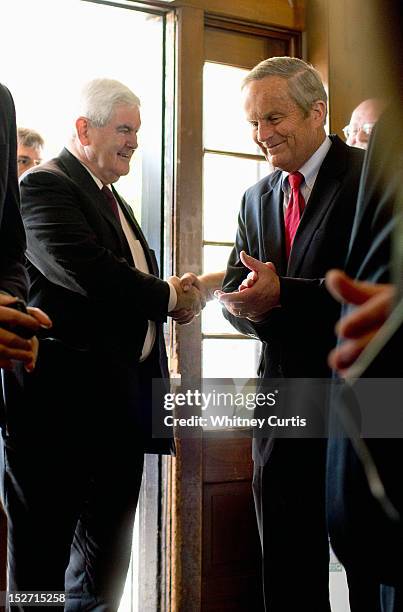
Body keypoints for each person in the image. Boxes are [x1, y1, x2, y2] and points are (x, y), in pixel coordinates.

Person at [2, 78, 203, 610]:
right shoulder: (42, 186)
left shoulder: (109, 196)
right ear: (83, 129)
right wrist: (168, 295)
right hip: (56, 415)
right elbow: (89, 273)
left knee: (104, 570)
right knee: (41, 568)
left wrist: (173, 296)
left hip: (118, 413)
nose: (134, 141)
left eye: (137, 131)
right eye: (124, 129)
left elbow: (124, 283)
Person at [214, 56, 365, 611]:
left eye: (274, 118)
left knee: (368, 562)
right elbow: (236, 292)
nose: (262, 135)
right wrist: (246, 306)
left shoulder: (376, 177)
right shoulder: (255, 198)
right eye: (253, 124)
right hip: (282, 399)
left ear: (318, 111)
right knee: (284, 560)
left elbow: (383, 289)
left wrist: (283, 295)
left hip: (364, 400)